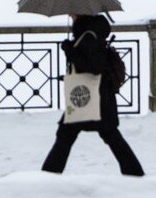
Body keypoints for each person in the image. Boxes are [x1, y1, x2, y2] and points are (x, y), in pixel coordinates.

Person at [41, 14, 145, 176]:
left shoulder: (89, 36)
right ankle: (135, 173)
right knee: (107, 136)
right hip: (96, 98)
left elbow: (94, 66)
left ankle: (47, 176)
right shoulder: (88, 34)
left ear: (81, 15)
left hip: (93, 98)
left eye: (73, 13)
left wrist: (70, 51)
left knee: (68, 136)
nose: (70, 15)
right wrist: (72, 49)